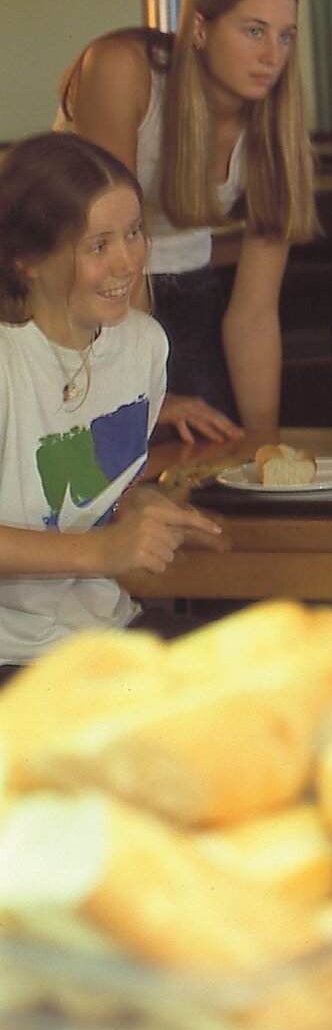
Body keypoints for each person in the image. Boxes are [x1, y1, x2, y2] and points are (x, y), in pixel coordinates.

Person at [59, 0, 317, 437]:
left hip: (187, 289)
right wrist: (147, 396)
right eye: (254, 31)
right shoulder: (123, 69)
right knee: (117, 463)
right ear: (199, 30)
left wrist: (262, 450)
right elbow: (112, 252)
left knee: (219, 454)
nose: (272, 56)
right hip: (79, 294)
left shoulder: (277, 133)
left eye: (286, 37)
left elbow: (254, 316)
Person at [0, 135, 225, 668]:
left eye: (133, 234)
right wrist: (102, 550)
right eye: (98, 245)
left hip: (107, 632)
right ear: (27, 261)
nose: (127, 262)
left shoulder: (144, 345)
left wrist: (131, 505)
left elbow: (93, 498)